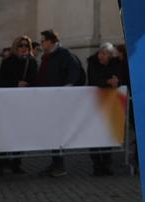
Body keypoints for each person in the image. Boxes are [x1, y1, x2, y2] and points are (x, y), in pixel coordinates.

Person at [36, 29, 82, 177]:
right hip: (47, 99)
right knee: (51, 133)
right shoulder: (46, 56)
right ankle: (55, 162)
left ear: (51, 41)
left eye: (43, 41)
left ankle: (60, 165)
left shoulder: (65, 54)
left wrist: (66, 89)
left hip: (59, 100)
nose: (41, 43)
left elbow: (76, 73)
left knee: (58, 133)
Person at [0, 35, 37, 175]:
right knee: (5, 133)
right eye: (21, 45)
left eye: (26, 46)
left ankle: (17, 163)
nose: (24, 48)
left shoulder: (32, 62)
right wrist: (15, 84)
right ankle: (0, 163)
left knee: (20, 133)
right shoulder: (7, 62)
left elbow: (36, 80)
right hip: (8, 103)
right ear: (15, 47)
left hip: (24, 103)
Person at [87, 42, 122, 176]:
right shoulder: (92, 63)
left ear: (110, 56)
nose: (101, 56)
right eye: (100, 53)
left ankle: (107, 165)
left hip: (110, 104)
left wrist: (116, 81)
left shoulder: (115, 64)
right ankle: (97, 165)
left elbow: (118, 78)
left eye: (104, 54)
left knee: (108, 134)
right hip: (94, 102)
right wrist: (108, 82)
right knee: (94, 135)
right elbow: (93, 80)